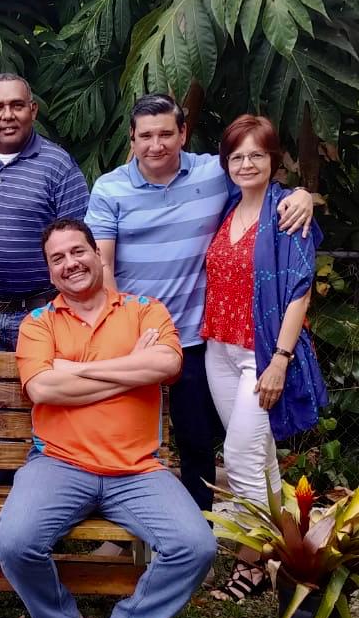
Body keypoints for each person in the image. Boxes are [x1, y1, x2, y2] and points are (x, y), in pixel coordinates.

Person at [0, 219, 216, 618]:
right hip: (58, 462)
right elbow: (42, 387)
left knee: (196, 546)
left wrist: (74, 370)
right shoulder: (38, 323)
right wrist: (130, 370)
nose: (70, 263)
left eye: (78, 252)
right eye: (58, 259)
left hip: (137, 469)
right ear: (50, 272)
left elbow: (168, 363)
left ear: (98, 255)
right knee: (15, 543)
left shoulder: (143, 309)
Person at [85, 94, 314, 512]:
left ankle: (199, 532)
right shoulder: (110, 187)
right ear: (132, 139)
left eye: (166, 134)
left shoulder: (214, 171)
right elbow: (104, 265)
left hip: (194, 337)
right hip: (133, 336)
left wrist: (301, 194)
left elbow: (260, 182)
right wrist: (121, 331)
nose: (157, 145)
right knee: (126, 437)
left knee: (195, 441)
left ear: (183, 134)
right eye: (146, 135)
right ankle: (125, 535)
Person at [202, 115, 327, 601]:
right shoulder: (228, 207)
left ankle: (254, 561)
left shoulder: (287, 212)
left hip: (262, 352)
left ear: (274, 160)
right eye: (237, 156)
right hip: (219, 349)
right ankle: (298, 555)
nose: (247, 163)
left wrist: (279, 359)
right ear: (226, 163)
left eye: (257, 154)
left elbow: (299, 292)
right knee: (259, 455)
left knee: (237, 457)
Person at [0, 73, 89, 351]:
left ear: (33, 110)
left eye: (17, 105)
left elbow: (79, 243)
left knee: (41, 393)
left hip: (41, 314)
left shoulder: (58, 166)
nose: (8, 115)